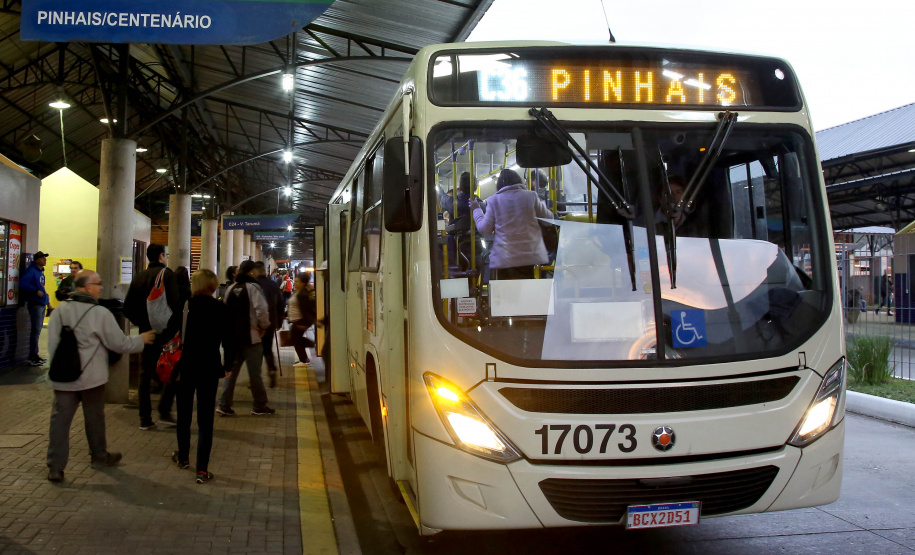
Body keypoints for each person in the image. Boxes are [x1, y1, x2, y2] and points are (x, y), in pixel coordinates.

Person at [46, 270, 155, 482]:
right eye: (98, 283)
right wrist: (141, 340)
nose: (101, 287)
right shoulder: (100, 314)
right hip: (91, 378)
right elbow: (119, 344)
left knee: (59, 423)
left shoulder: (59, 312)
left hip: (63, 378)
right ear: (86, 287)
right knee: (94, 419)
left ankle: (55, 467)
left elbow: (53, 344)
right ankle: (99, 456)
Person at [173, 269, 230, 484]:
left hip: (186, 366)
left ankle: (183, 457)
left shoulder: (185, 306)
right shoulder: (220, 308)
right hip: (209, 367)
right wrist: (228, 364)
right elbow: (228, 339)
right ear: (213, 285)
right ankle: (202, 470)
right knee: (206, 419)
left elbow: (172, 332)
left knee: (184, 414)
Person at [124, 244, 180, 430]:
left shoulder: (138, 276)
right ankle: (164, 411)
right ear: (162, 256)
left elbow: (127, 308)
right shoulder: (167, 275)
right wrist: (173, 330)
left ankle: (145, 419)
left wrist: (143, 324)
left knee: (145, 374)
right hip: (166, 334)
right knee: (172, 370)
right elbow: (175, 306)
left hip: (146, 334)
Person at [471, 169, 553, 280]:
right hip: (530, 258)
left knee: (507, 293)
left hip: (505, 259)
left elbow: (485, 229)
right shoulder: (531, 196)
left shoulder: (494, 200)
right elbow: (548, 220)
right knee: (530, 292)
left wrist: (476, 210)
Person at [217, 260, 274, 416]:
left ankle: (224, 404)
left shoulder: (230, 289)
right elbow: (261, 310)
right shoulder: (254, 288)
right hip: (251, 338)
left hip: (233, 339)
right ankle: (259, 405)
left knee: (232, 373)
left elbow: (225, 311)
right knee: (254, 374)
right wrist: (264, 327)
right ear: (251, 272)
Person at [253, 261, 285, 388]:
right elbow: (281, 303)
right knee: (267, 348)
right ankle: (271, 368)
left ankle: (256, 377)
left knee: (256, 350)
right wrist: (280, 321)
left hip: (255, 323)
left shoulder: (253, 285)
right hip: (271, 322)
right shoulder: (273, 284)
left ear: (255, 271)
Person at [20, 250, 50, 367]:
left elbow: (42, 288)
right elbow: (22, 284)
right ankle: (32, 356)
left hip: (41, 304)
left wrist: (48, 302)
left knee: (37, 331)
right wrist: (35, 291)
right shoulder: (31, 271)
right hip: (35, 304)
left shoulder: (40, 273)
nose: (45, 260)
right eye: (43, 258)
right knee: (35, 331)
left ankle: (35, 355)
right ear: (37, 259)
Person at [287, 272, 317, 366]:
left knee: (295, 338)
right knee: (296, 339)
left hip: (301, 320)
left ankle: (305, 358)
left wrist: (305, 323)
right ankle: (304, 359)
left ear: (302, 283)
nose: (294, 283)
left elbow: (306, 309)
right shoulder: (298, 292)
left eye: (297, 281)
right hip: (297, 320)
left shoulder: (302, 294)